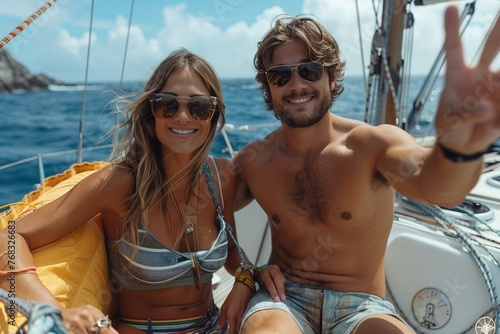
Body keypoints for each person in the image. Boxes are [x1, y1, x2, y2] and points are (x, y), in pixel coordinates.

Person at [234, 5, 500, 334]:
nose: (297, 84)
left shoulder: (373, 146)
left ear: (331, 78)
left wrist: (458, 147)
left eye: (311, 71)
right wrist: (247, 272)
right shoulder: (255, 162)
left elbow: (439, 188)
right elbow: (204, 206)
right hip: (283, 298)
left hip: (361, 305)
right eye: (280, 76)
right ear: (268, 88)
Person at [0, 48, 259, 334]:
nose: (183, 117)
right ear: (151, 111)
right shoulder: (117, 184)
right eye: (168, 105)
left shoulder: (220, 176)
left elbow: (234, 249)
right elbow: (10, 234)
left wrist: (245, 279)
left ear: (214, 114)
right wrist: (50, 309)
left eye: (199, 106)